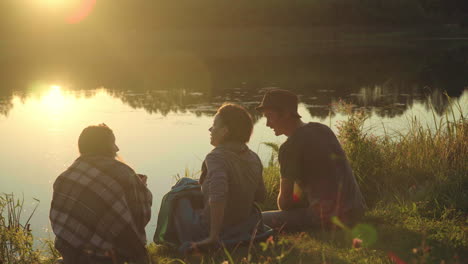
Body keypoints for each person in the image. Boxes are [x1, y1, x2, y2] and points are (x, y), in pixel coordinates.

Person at [256, 89, 366, 231]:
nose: (267, 124)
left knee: (257, 220)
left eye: (270, 117)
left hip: (327, 219)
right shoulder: (323, 130)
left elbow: (284, 204)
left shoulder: (289, 148)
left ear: (286, 113)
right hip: (357, 212)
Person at [49, 124, 153, 263]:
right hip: (104, 257)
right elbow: (140, 217)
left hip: (69, 252)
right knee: (138, 251)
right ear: (104, 146)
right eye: (113, 143)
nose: (117, 148)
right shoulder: (124, 173)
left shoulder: (65, 177)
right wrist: (141, 189)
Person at [174, 103, 267, 252]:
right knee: (186, 183)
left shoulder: (216, 157)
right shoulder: (254, 157)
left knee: (177, 198)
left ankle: (176, 239)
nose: (210, 130)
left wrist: (213, 236)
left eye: (214, 126)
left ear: (224, 131)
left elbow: (219, 195)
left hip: (213, 228)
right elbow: (261, 196)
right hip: (243, 224)